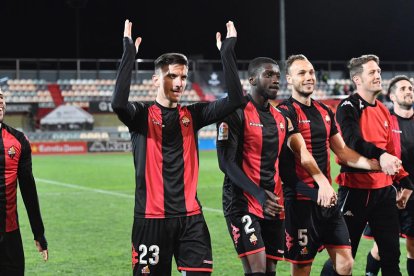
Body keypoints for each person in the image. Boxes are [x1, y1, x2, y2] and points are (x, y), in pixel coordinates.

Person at [111, 20, 244, 275]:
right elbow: (118, 104)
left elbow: (236, 99)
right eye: (172, 76)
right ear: (155, 80)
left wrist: (227, 52)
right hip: (151, 219)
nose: (179, 83)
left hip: (191, 219)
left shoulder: (193, 114)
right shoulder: (141, 114)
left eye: (183, 76)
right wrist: (128, 55)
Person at [216, 57, 338, 276]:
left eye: (277, 76)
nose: (275, 80)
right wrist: (258, 194)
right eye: (268, 75)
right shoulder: (235, 112)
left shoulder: (281, 118)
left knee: (270, 269)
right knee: (257, 269)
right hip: (242, 201)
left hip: (274, 204)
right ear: (252, 79)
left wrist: (313, 193)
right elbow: (225, 162)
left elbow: (286, 170)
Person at [278, 54, 380, 276]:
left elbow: (342, 151)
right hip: (301, 201)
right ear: (289, 79)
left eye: (312, 72)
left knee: (345, 264)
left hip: (328, 202)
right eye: (301, 73)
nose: (309, 77)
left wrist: (373, 164)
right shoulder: (285, 112)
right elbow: (301, 152)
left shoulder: (325, 111)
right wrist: (322, 182)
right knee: (302, 268)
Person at [331, 55, 414, 276]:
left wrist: (405, 182)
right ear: (357, 79)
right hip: (355, 191)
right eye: (372, 72)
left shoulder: (383, 111)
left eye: (378, 71)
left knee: (391, 258)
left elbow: (392, 153)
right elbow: (352, 141)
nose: (378, 75)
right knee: (343, 258)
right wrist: (382, 155)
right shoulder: (348, 105)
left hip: (384, 194)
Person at [363, 75, 414, 276]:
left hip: (413, 194)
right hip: (388, 194)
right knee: (382, 247)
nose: (408, 91)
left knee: (412, 246)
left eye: (410, 88)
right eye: (402, 89)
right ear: (392, 96)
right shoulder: (385, 122)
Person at [0, 88, 48, 275]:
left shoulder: (19, 140)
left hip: (10, 235)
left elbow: (28, 189)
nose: (0, 101)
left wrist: (39, 233)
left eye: (2, 97)